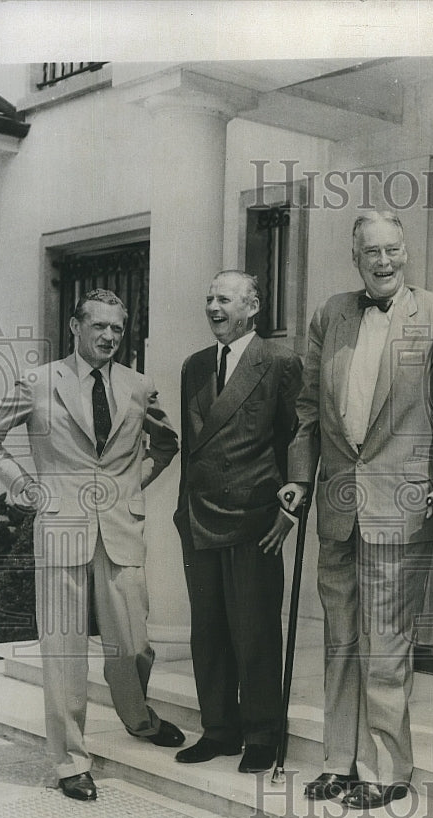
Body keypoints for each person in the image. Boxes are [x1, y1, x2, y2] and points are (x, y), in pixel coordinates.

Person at [280, 211, 433, 810]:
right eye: (373, 254)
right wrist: (298, 479)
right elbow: (309, 407)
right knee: (341, 640)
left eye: (393, 251)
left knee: (385, 644)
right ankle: (339, 761)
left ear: (406, 254)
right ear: (356, 260)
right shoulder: (331, 314)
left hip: (402, 504)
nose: (384, 262)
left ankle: (388, 770)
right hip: (339, 506)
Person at [0, 288, 183, 802]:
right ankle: (71, 760)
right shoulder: (37, 381)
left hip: (120, 527)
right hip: (62, 526)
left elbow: (166, 443)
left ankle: (138, 719)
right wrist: (25, 486)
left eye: (117, 328)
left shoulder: (139, 386)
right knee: (63, 651)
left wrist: (132, 483)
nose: (109, 337)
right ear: (76, 327)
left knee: (133, 642)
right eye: (99, 327)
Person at [174, 270, 302, 774]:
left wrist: (289, 511)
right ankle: (219, 729)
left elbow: (297, 437)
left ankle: (263, 733)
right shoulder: (196, 364)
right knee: (207, 634)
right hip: (200, 517)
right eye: (208, 298)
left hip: (255, 519)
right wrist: (183, 509)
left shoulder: (278, 361)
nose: (212, 306)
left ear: (252, 306)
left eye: (223, 299)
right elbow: (191, 445)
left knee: (254, 632)